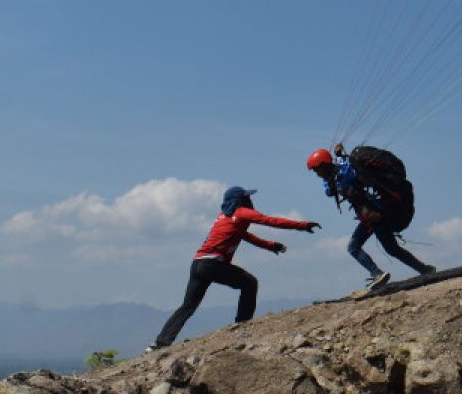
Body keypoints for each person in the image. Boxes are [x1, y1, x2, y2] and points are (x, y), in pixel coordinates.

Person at [148, 186, 319, 350]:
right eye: (247, 198)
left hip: (198, 264)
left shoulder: (223, 217)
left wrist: (270, 245)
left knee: (188, 306)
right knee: (250, 283)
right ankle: (242, 327)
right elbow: (270, 221)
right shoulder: (241, 212)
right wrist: (302, 225)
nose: (250, 201)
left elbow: (245, 236)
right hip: (213, 264)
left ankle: (160, 343)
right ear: (241, 200)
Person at [306, 146, 434, 292]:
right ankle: (424, 269)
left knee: (356, 248)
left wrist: (338, 163)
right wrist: (339, 155)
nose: (316, 173)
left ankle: (378, 274)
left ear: (324, 165)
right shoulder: (339, 172)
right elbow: (331, 187)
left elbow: (335, 185)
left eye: (317, 169)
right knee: (391, 249)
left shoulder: (342, 176)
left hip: (374, 216)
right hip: (373, 215)